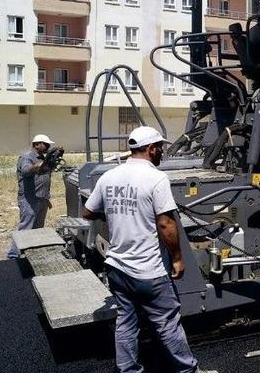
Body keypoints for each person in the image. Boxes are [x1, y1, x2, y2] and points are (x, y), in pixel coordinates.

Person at [82, 126, 215, 373]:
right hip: (148, 271)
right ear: (152, 149)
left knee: (126, 321)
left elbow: (87, 212)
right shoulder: (155, 178)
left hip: (116, 267)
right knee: (167, 323)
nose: (162, 152)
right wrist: (177, 258)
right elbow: (166, 223)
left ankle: (128, 370)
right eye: (160, 148)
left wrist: (116, 213)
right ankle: (188, 371)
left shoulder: (109, 176)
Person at [7, 133, 55, 259]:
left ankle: (32, 254)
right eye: (45, 144)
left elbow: (45, 179)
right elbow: (26, 170)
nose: (48, 146)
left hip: (41, 198)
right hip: (29, 199)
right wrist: (38, 166)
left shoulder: (42, 158)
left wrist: (47, 199)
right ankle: (13, 255)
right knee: (26, 228)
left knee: (38, 229)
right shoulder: (27, 157)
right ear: (36, 144)